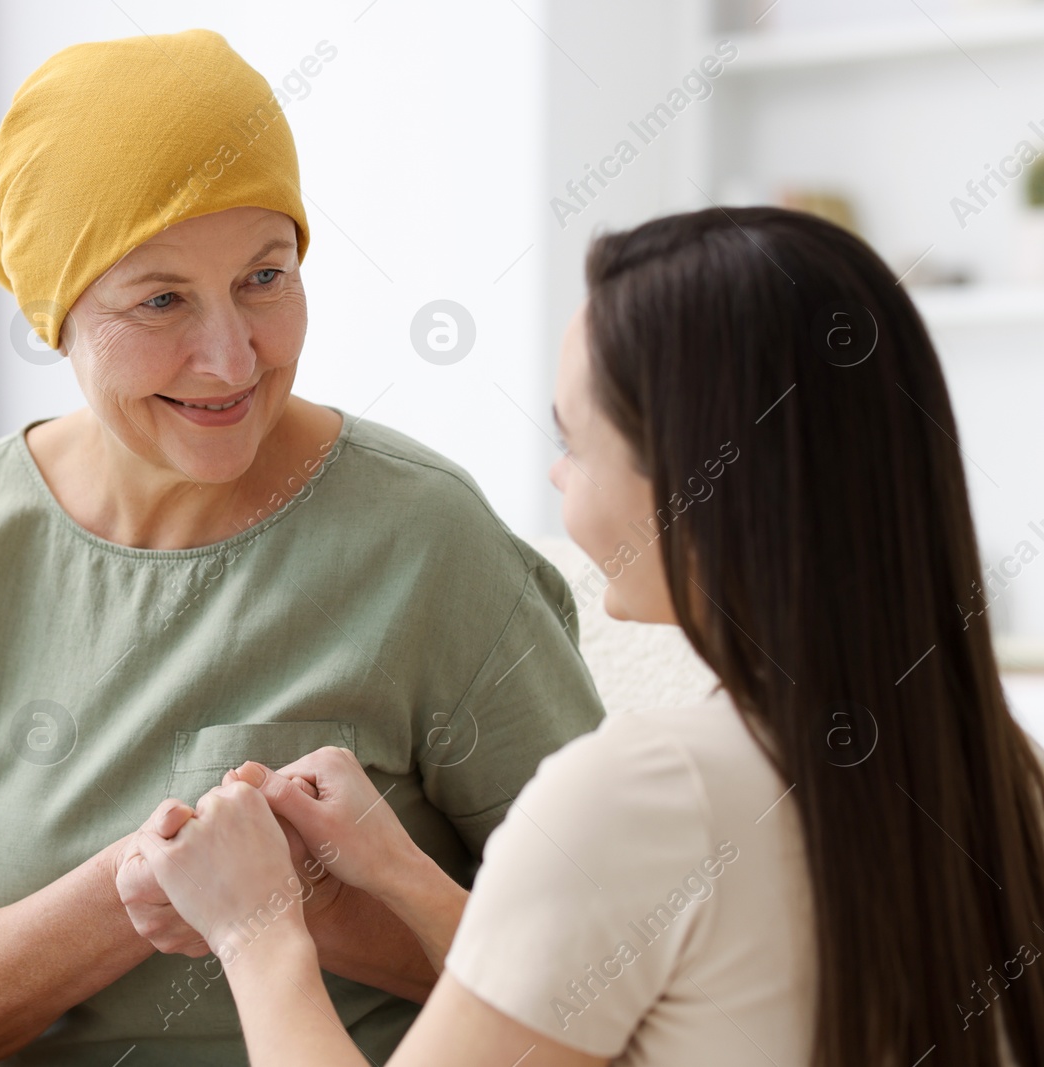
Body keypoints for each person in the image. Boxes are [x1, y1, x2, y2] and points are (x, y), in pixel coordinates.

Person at [0, 28, 603, 1067]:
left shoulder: (423, 533)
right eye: (160, 299)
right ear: (58, 316)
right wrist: (131, 892)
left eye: (264, 276)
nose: (231, 356)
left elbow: (609, 965)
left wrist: (305, 911)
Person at [136, 205, 1044, 1066]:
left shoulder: (645, 791)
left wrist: (255, 929)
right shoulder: (999, 769)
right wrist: (402, 878)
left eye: (576, 439)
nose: (557, 474)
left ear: (694, 480)